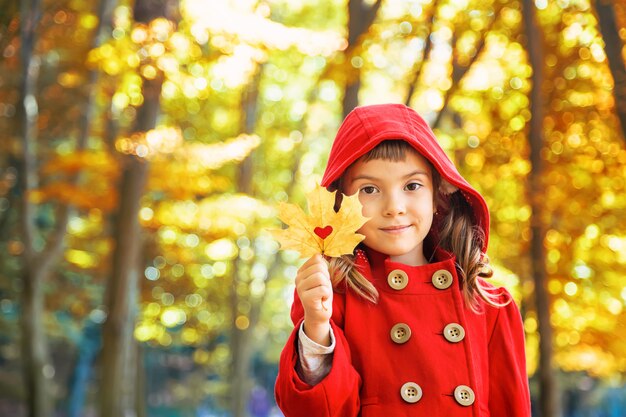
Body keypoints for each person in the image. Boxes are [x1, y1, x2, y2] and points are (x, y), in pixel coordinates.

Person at [274, 103, 531, 417]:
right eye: (370, 189)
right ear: (341, 206)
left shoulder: (490, 308)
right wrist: (316, 327)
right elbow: (316, 411)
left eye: (412, 186)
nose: (394, 206)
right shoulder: (335, 299)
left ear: (439, 193)